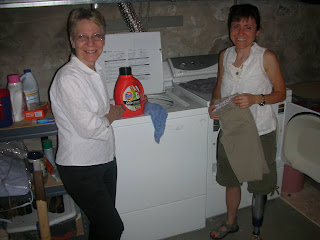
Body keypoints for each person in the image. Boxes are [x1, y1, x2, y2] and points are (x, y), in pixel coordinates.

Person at [208, 4, 286, 240]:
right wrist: (215, 107)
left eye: (248, 27)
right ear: (230, 29)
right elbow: (220, 88)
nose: (241, 32)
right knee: (231, 180)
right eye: (236, 26)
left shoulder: (266, 57)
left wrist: (256, 99)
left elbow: (280, 93)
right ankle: (231, 223)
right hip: (232, 130)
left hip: (261, 132)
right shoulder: (225, 55)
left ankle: (256, 231)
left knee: (260, 184)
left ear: (257, 31)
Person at [50, 8, 127, 240]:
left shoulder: (96, 70)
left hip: (104, 158)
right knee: (114, 227)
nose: (91, 42)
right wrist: (114, 113)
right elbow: (90, 127)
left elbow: (100, 109)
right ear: (72, 41)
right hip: (81, 167)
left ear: (104, 39)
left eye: (97, 36)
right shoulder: (69, 78)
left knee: (101, 226)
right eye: (83, 36)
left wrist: (122, 104)